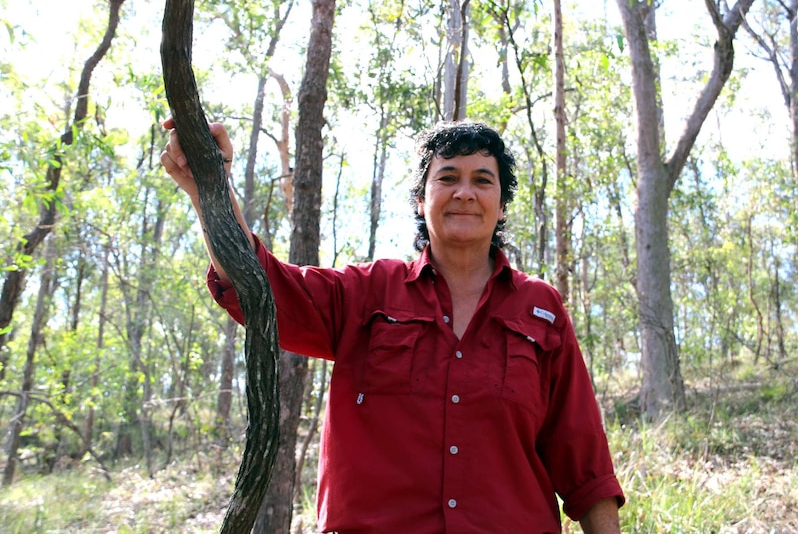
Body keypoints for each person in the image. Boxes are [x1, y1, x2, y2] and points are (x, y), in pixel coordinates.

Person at [161, 118, 625, 533]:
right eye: (448, 178)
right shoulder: (367, 293)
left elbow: (585, 464)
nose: (465, 192)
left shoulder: (540, 309)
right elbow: (261, 286)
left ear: (501, 205)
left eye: (483, 181)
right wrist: (210, 186)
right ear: (421, 201)